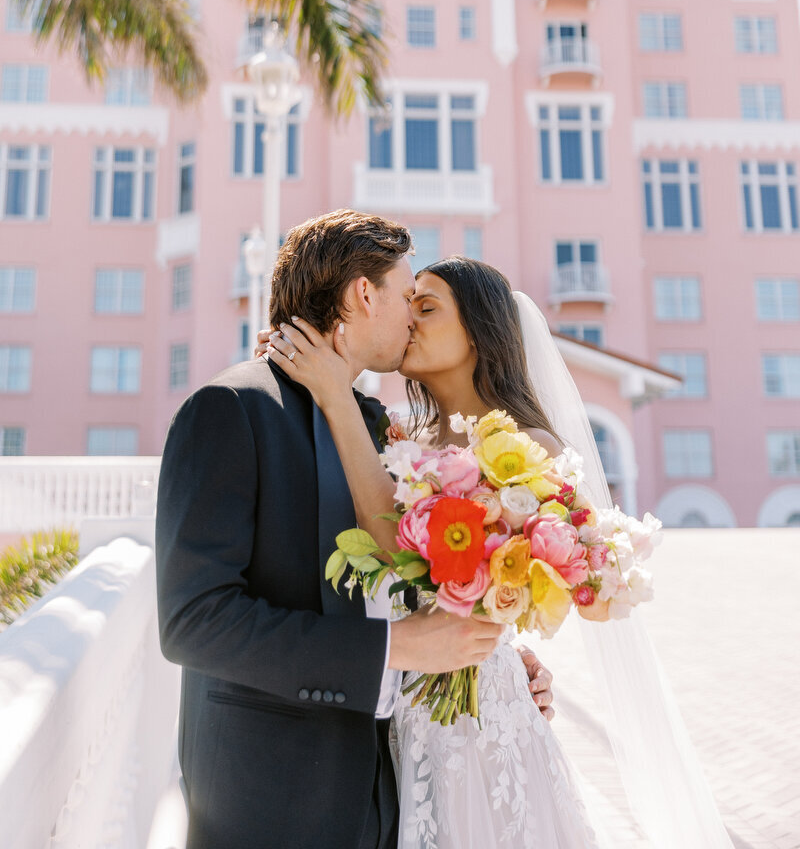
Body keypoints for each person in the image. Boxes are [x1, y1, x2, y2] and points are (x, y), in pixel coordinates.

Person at [263, 254, 735, 849]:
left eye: (426, 307)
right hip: (399, 717)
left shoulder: (530, 448)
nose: (407, 319)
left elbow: (402, 554)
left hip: (482, 720)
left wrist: (335, 395)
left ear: (479, 333)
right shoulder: (396, 436)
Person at [155, 212, 550, 849]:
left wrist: (491, 660)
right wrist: (401, 648)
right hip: (271, 802)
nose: (411, 316)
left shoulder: (373, 425)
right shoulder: (233, 408)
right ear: (364, 295)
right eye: (405, 296)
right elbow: (194, 621)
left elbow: (406, 572)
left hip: (390, 794)